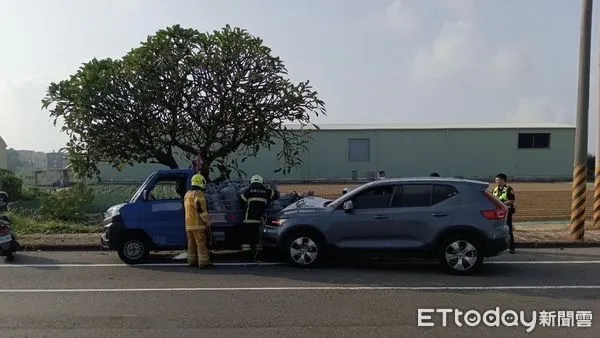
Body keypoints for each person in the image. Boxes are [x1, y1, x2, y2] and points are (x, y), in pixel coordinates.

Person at [240, 174, 279, 259]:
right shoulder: (266, 191)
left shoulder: (248, 191)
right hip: (261, 220)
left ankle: (246, 255)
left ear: (251, 182)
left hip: (248, 219)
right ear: (262, 182)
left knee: (247, 238)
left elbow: (241, 200)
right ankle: (259, 255)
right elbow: (276, 195)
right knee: (259, 238)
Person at [183, 173, 214, 268]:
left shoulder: (187, 194)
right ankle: (204, 263)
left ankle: (192, 261)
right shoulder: (199, 193)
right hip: (198, 225)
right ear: (201, 182)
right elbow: (199, 207)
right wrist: (207, 221)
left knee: (191, 245)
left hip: (188, 224)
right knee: (201, 244)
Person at [492, 173, 516, 254]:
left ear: (503, 180)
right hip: (497, 212)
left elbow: (512, 200)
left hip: (507, 212)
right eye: (496, 180)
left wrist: (502, 204)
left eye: (498, 180)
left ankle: (511, 247)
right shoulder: (495, 189)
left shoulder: (509, 189)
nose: (496, 181)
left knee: (508, 229)